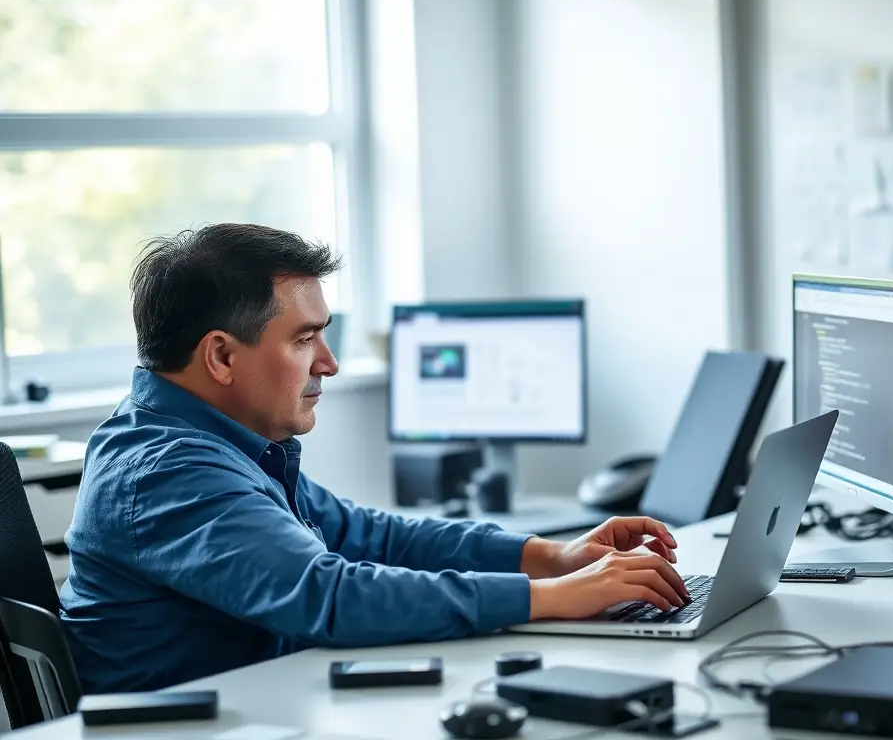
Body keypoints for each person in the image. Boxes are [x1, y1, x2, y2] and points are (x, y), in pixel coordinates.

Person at [59, 223, 689, 694]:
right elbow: (327, 595)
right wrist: (551, 596)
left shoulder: (227, 443)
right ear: (221, 357)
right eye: (305, 339)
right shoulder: (168, 472)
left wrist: (551, 556)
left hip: (260, 709)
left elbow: (367, 536)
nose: (328, 362)